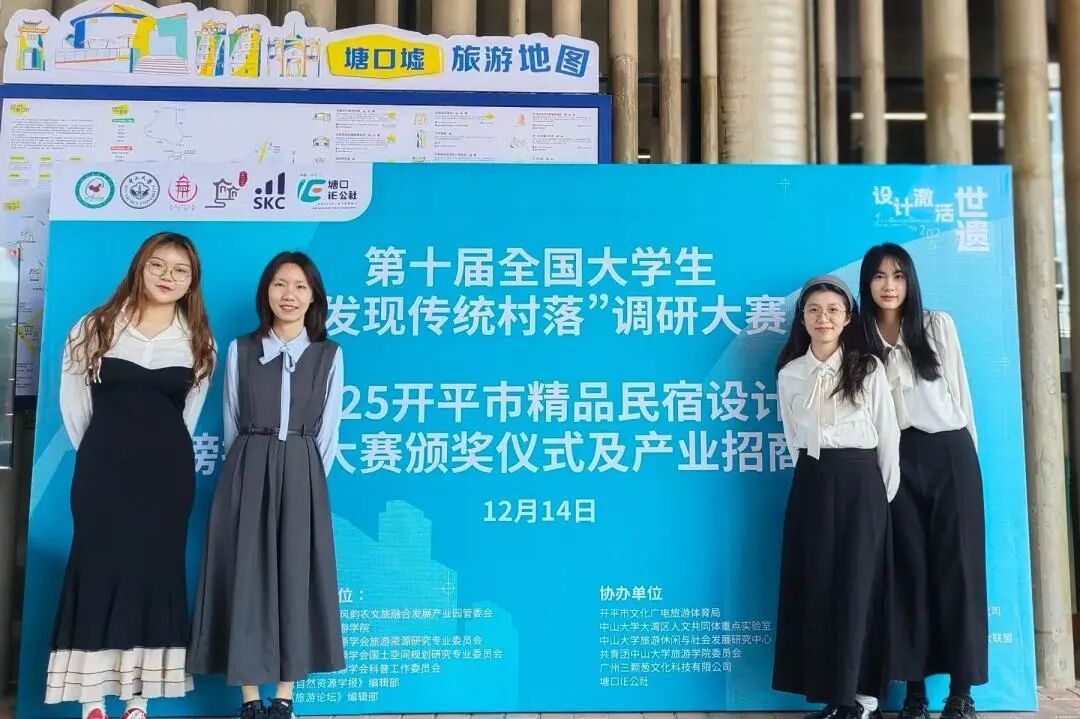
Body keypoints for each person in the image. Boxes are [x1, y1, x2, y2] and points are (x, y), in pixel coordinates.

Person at [47, 232, 216, 719]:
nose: (167, 276)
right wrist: (105, 453)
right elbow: (74, 406)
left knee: (153, 575)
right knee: (96, 570)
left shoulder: (199, 340)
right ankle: (92, 701)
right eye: (158, 265)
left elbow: (187, 416)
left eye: (180, 270)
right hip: (102, 472)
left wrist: (151, 454)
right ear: (139, 267)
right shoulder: (94, 327)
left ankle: (137, 701)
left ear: (191, 282)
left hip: (166, 478)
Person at [187, 251, 345, 719]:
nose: (288, 295)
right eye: (279, 284)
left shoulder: (329, 355)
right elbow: (231, 420)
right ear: (266, 293)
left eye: (299, 286)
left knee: (296, 576)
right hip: (247, 466)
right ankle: (250, 700)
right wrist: (247, 472)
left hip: (302, 470)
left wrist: (304, 480)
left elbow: (328, 432)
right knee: (245, 576)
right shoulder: (240, 350)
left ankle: (284, 698)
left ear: (313, 296)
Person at [859, 243, 986, 719]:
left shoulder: (937, 326)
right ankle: (915, 694)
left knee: (960, 570)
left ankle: (962, 693)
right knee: (906, 571)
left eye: (898, 276)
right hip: (895, 458)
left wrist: (969, 459)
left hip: (950, 453)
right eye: (878, 276)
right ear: (866, 284)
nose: (889, 286)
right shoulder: (860, 338)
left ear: (910, 281)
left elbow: (961, 394)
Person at [772, 274, 900, 719]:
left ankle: (863, 699)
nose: (822, 318)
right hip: (812, 481)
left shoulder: (868, 368)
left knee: (859, 588)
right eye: (813, 310)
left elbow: (888, 437)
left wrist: (880, 501)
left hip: (862, 484)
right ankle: (834, 695)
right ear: (802, 319)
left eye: (832, 310)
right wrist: (813, 479)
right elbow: (791, 437)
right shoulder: (790, 374)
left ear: (847, 318)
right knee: (819, 586)